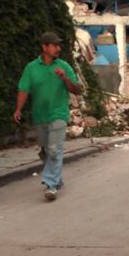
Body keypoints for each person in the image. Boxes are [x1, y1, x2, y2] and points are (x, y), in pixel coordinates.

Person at [13, 32, 83, 201]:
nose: (58, 48)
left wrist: (65, 79)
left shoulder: (64, 66)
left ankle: (51, 185)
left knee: (54, 149)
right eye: (54, 45)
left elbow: (77, 89)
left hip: (59, 114)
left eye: (59, 45)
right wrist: (18, 109)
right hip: (40, 115)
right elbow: (24, 89)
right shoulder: (31, 68)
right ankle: (56, 179)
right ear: (44, 47)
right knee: (45, 150)